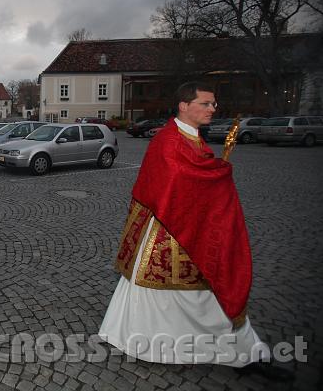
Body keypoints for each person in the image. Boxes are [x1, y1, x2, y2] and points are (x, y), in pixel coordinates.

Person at [98, 82, 292, 381]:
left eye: (214, 104)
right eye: (206, 103)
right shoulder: (168, 141)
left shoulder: (191, 138)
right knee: (187, 294)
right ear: (184, 106)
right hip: (169, 229)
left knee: (204, 295)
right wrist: (215, 175)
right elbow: (174, 180)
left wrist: (212, 173)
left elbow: (194, 174)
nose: (213, 109)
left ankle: (245, 352)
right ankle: (159, 346)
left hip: (192, 227)